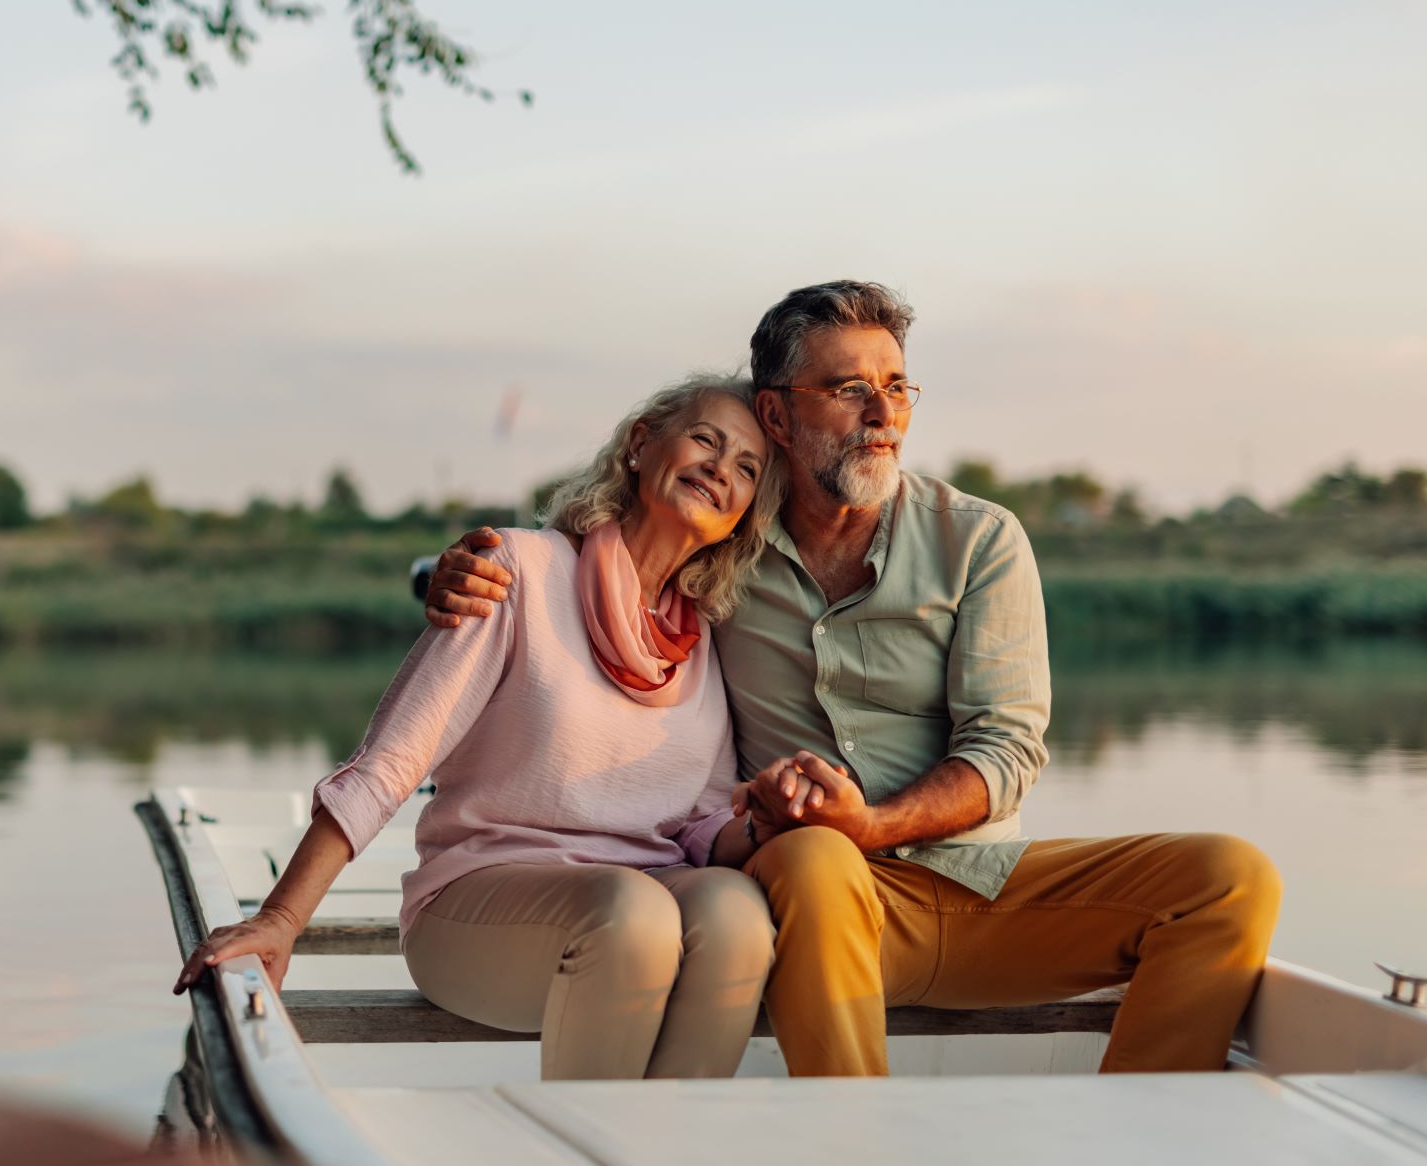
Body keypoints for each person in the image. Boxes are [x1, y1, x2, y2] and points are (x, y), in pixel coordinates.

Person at [426, 281, 1282, 1077]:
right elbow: (591, 560)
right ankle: (856, 1138)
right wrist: (448, 573)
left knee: (1229, 877)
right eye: (847, 390)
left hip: (978, 887)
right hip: (807, 895)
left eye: (898, 387)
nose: (883, 414)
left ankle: (1143, 1137)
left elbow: (1007, 748)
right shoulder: (722, 540)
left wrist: (871, 823)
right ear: (778, 413)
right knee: (813, 855)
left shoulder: (979, 540)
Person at [175, 373, 782, 1080]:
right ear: (641, 445)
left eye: (747, 468)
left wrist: (768, 819)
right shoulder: (515, 571)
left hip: (643, 894)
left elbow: (703, 824)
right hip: (481, 905)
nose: (720, 468)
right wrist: (281, 918)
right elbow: (393, 759)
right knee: (634, 914)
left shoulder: (703, 639)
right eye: (705, 440)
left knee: (737, 913)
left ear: (744, 514)